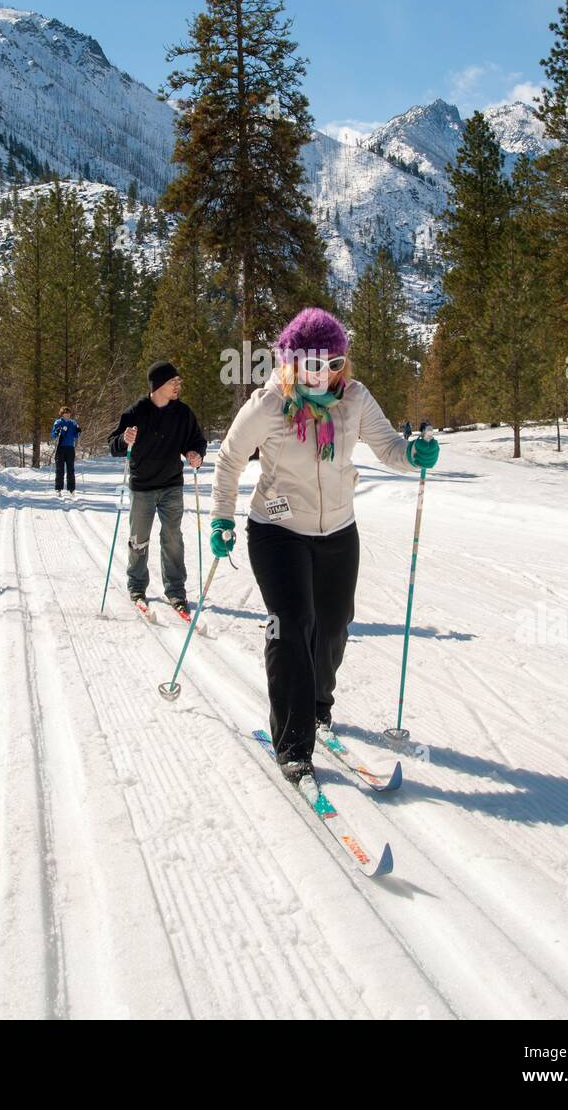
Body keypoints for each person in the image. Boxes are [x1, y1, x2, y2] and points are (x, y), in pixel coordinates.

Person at [209, 307, 439, 785]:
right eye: (314, 365)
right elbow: (229, 460)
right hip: (277, 532)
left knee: (333, 628)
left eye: (334, 364)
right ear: (291, 364)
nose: (325, 374)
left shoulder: (354, 399)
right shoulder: (269, 405)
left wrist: (414, 454)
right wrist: (221, 518)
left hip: (338, 530)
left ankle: (317, 706)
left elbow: (390, 449)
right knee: (292, 626)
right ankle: (293, 744)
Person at [107, 361, 207, 614]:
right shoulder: (135, 412)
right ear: (159, 384)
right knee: (139, 540)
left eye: (178, 382)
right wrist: (123, 440)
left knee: (173, 539)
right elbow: (114, 445)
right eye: (173, 382)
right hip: (143, 486)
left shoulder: (183, 413)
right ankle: (137, 586)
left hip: (172, 485)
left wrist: (196, 454)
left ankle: (175, 591)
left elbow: (195, 440)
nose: (178, 386)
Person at [52, 406, 81, 496]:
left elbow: (76, 435)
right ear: (62, 414)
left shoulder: (73, 423)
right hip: (60, 447)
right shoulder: (58, 422)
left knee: (70, 469)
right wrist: (58, 431)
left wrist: (78, 431)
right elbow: (54, 435)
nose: (67, 415)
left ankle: (71, 489)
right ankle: (58, 488)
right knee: (60, 469)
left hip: (70, 447)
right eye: (65, 413)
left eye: (68, 413)